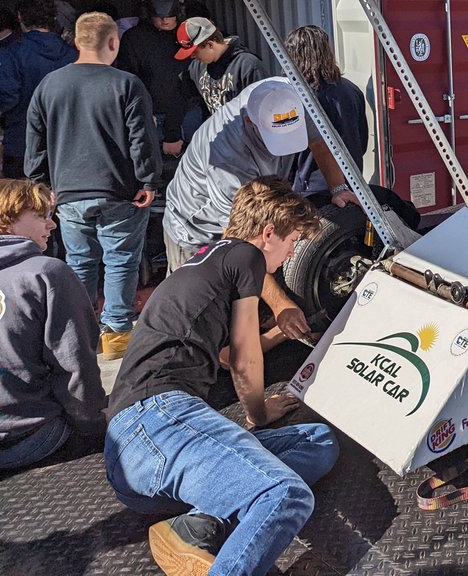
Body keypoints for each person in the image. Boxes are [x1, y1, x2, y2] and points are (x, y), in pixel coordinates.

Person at [105, 177, 337, 576]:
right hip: (156, 419)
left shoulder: (207, 260)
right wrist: (260, 414)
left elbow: (229, 355)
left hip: (135, 453)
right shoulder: (246, 256)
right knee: (286, 495)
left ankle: (196, 525)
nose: (293, 252)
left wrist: (283, 329)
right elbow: (246, 362)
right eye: (293, 241)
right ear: (267, 234)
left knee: (318, 442)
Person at [164, 77, 363, 341]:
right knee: (200, 329)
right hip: (199, 230)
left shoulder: (290, 98)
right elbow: (240, 244)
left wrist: (338, 189)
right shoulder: (226, 156)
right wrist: (280, 305)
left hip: (257, 197)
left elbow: (317, 142)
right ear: (250, 122)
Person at [26, 12, 161, 361]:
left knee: (80, 263)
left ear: (75, 41)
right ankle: (116, 339)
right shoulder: (127, 84)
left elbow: (35, 143)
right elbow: (142, 139)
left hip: (68, 195)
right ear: (113, 42)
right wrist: (148, 179)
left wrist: (41, 185)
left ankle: (81, 336)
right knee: (120, 262)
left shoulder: (48, 86)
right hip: (120, 191)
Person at [0, 179, 106, 470]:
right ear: (7, 220)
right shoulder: (46, 274)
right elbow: (75, 365)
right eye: (41, 216)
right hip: (29, 435)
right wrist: (96, 424)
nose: (52, 225)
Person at [284, 25, 419, 228]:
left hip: (311, 192)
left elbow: (288, 154)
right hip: (353, 185)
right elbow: (362, 142)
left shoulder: (294, 96)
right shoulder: (351, 90)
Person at [0, 0, 77, 178]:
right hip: (67, 143)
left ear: (20, 17)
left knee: (20, 203)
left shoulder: (11, 53)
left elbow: (8, 96)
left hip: (22, 141)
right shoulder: (73, 54)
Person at [117, 0, 191, 158]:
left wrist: (173, 131)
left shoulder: (190, 36)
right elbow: (129, 81)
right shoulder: (134, 39)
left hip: (188, 112)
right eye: (158, 15)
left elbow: (188, 84)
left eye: (170, 15)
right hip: (150, 116)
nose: (164, 20)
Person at [175, 17, 268, 117]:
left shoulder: (247, 65)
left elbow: (265, 107)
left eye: (194, 52)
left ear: (210, 44)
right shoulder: (196, 67)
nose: (192, 56)